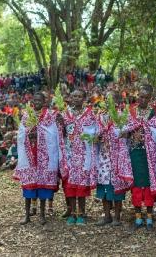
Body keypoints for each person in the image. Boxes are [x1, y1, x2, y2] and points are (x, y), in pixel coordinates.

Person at [14, 93, 63, 225]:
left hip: (44, 156)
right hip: (30, 156)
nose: (37, 102)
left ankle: (42, 214)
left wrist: (40, 134)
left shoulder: (50, 115)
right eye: (34, 99)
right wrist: (29, 134)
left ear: (44, 101)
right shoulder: (26, 115)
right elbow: (21, 133)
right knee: (28, 188)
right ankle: (27, 215)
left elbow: (53, 133)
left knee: (42, 187)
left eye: (39, 100)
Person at [123, 85, 156, 231]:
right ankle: (138, 218)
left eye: (146, 97)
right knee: (137, 185)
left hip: (149, 154)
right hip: (135, 152)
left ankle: (149, 218)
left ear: (150, 98)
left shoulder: (155, 113)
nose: (143, 99)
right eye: (141, 96)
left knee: (149, 184)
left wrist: (145, 136)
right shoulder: (131, 112)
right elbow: (124, 130)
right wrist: (131, 134)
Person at [59, 89, 98, 226]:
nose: (76, 98)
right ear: (70, 98)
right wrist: (60, 125)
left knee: (81, 185)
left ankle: (81, 213)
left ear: (84, 99)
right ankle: (72, 212)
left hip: (83, 155)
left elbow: (96, 131)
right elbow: (61, 132)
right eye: (74, 96)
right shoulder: (64, 114)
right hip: (69, 155)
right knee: (70, 185)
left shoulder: (90, 114)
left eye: (79, 96)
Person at [95, 91, 131, 226]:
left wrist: (122, 134)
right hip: (103, 157)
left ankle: (117, 217)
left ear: (117, 102)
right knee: (103, 187)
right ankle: (107, 216)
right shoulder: (100, 116)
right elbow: (95, 133)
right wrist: (97, 137)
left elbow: (126, 133)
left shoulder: (122, 116)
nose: (109, 102)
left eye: (112, 99)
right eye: (106, 99)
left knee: (117, 188)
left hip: (117, 158)